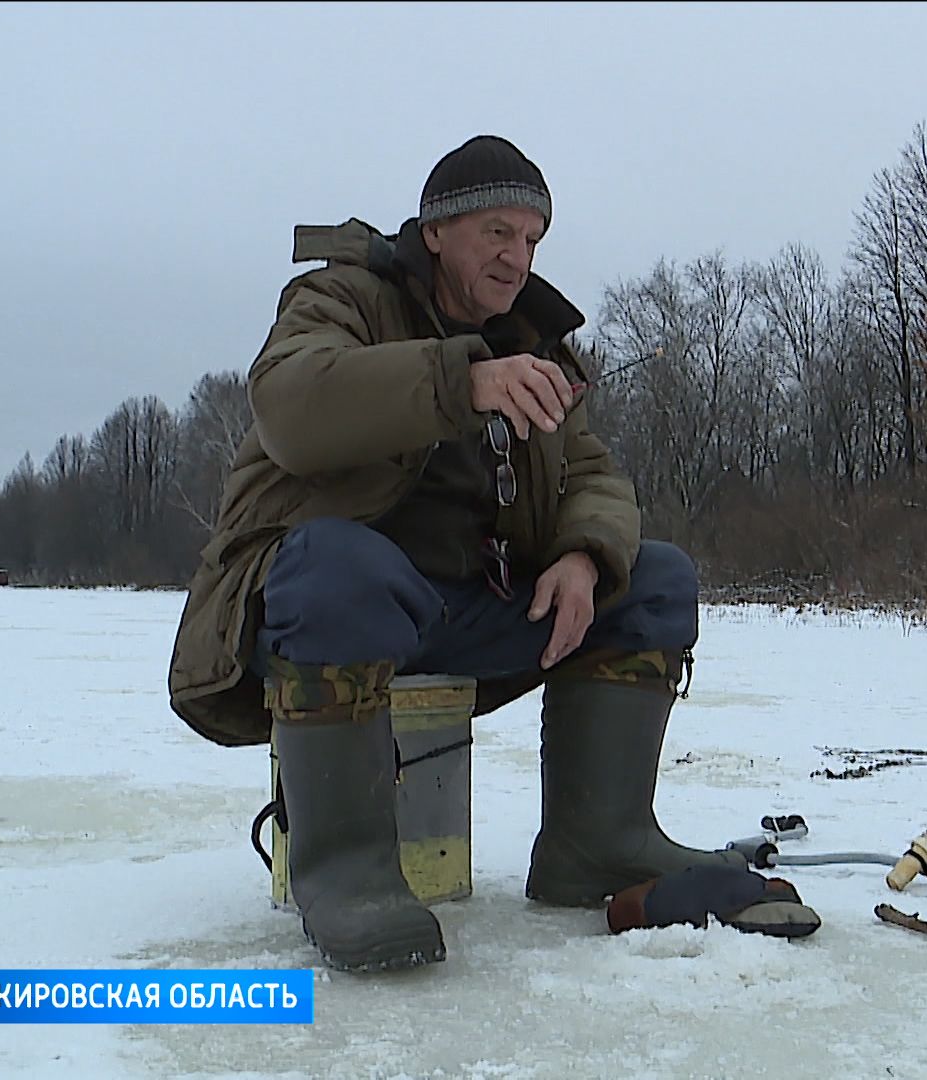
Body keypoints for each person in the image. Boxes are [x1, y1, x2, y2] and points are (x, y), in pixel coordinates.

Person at [166, 135, 758, 972]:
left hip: (467, 616)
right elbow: (292, 409)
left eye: (532, 240)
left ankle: (597, 843)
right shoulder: (339, 299)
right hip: (317, 614)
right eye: (497, 233)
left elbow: (594, 474)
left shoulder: (538, 346)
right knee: (342, 563)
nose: (518, 259)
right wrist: (461, 382)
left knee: (653, 576)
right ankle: (346, 876)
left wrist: (585, 556)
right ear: (436, 231)